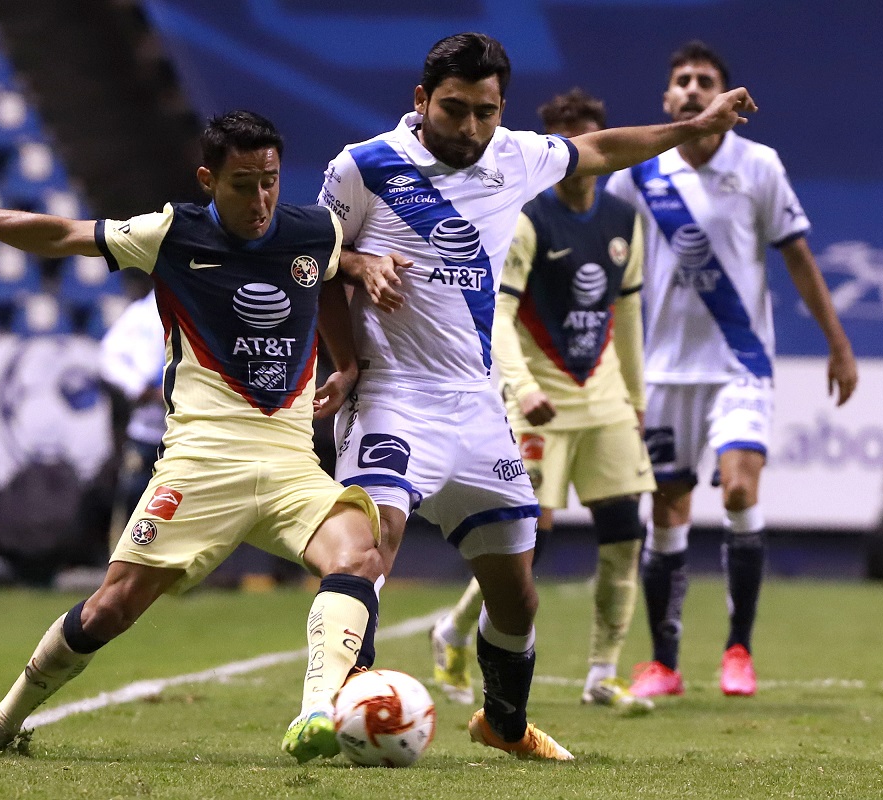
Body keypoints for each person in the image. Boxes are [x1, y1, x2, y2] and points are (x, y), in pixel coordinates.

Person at [0, 110, 385, 764]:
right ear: (209, 178)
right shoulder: (170, 233)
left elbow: (323, 285)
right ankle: (0, 724)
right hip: (201, 465)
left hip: (292, 465)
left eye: (269, 181)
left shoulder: (313, 230)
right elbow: (60, 234)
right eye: (242, 183)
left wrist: (346, 364)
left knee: (358, 555)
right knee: (111, 608)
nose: (260, 199)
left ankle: (318, 710)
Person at [317, 32, 755, 759]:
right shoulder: (362, 166)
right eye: (454, 109)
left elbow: (607, 149)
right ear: (421, 100)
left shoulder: (513, 156)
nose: (469, 128)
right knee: (370, 547)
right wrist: (358, 270)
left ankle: (505, 725)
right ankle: (334, 703)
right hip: (393, 393)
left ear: (502, 109)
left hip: (478, 405)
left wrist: (695, 128)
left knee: (516, 594)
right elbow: (312, 255)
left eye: (485, 112)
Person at [605, 41, 858, 699]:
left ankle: (738, 649)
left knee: (741, 491)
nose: (692, 88)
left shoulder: (759, 166)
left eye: (704, 80)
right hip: (661, 372)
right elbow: (604, 267)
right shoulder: (638, 175)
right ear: (667, 100)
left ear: (727, 98)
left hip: (741, 362)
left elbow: (797, 258)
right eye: (682, 81)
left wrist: (838, 344)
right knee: (668, 511)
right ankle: (664, 661)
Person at [427, 89, 654, 715]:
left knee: (624, 535)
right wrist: (522, 387)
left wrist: (635, 397)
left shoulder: (623, 221)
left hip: (604, 400)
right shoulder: (525, 219)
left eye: (592, 143)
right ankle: (453, 632)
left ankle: (602, 672)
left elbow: (626, 310)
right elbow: (497, 312)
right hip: (540, 404)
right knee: (527, 547)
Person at [99, 290, 167, 547]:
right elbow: (108, 356)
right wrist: (138, 388)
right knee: (132, 498)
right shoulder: (141, 314)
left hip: (188, 430)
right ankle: (120, 563)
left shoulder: (198, 308)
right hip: (145, 428)